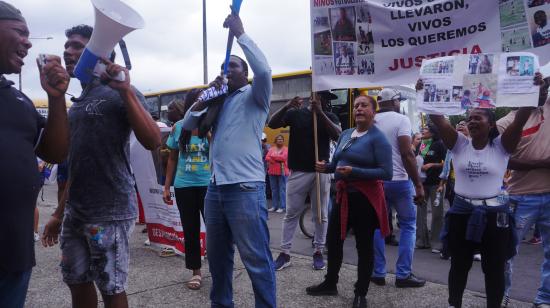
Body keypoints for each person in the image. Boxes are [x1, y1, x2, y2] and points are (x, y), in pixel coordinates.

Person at [41, 24, 161, 308]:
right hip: (77, 212)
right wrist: (59, 213)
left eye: (77, 47)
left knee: (110, 286)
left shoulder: (119, 91)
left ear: (99, 54)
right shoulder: (79, 100)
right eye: (66, 47)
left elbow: (154, 141)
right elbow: (79, 165)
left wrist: (126, 91)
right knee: (76, 280)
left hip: (111, 212)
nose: (68, 52)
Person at [181, 14, 276, 307]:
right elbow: (187, 125)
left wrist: (241, 35)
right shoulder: (218, 103)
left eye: (232, 66)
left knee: (256, 259)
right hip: (216, 189)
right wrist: (208, 95)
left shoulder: (255, 96)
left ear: (244, 73)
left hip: (244, 188)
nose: (226, 70)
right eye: (224, 67)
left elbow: (264, 71)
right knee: (218, 260)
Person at [417, 78, 536, 308]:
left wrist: (535, 87)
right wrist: (423, 93)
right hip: (462, 213)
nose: (471, 121)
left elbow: (522, 116)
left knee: (494, 268)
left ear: (491, 124)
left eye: (477, 117)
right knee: (459, 265)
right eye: (469, 117)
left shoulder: (503, 145)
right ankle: (454, 304)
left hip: (495, 216)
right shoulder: (459, 144)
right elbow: (437, 119)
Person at [0, 2, 70, 307]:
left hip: (13, 256)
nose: (29, 41)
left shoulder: (18, 100)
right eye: (20, 32)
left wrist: (56, 100)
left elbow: (54, 151)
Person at [305, 95, 392, 308]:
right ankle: (330, 283)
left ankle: (360, 293)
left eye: (364, 105)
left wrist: (356, 171)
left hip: (365, 199)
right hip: (343, 197)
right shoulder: (345, 134)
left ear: (374, 111)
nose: (359, 109)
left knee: (364, 247)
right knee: (334, 242)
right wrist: (326, 167)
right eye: (356, 106)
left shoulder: (378, 138)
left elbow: (387, 172)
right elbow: (337, 162)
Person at [268, 92, 341, 271]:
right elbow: (272, 124)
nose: (322, 100)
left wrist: (321, 113)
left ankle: (318, 250)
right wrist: (287, 106)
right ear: (312, 95)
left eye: (325, 98)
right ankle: (285, 253)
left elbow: (337, 135)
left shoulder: (330, 116)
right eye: (319, 96)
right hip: (298, 171)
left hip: (320, 170)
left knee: (321, 214)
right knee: (291, 213)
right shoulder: (296, 114)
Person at [500, 75, 550, 308]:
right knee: (506, 253)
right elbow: (503, 160)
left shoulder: (548, 109)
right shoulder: (505, 122)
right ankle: (501, 297)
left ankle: (544, 299)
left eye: (544, 87)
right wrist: (540, 164)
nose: (541, 91)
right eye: (535, 87)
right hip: (520, 197)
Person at [370, 88, 427, 288]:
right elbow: (407, 154)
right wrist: (418, 184)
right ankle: (403, 274)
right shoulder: (402, 120)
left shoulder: (371, 121)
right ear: (395, 101)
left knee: (377, 227)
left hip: (377, 182)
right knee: (408, 226)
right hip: (401, 181)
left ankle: (378, 272)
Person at [163, 89, 209, 290]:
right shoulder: (178, 127)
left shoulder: (212, 125)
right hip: (184, 186)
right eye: (198, 101)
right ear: (191, 105)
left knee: (216, 231)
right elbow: (172, 158)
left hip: (210, 186)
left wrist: (211, 134)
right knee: (190, 230)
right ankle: (196, 272)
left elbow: (220, 155)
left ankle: (219, 268)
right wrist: (167, 187)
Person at [416, 125, 446, 251]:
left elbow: (446, 163)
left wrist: (432, 165)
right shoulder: (421, 144)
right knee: (420, 211)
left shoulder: (440, 144)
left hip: (436, 183)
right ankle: (422, 241)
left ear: (433, 133)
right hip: (422, 182)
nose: (423, 130)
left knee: (437, 213)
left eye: (426, 129)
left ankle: (436, 242)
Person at [265, 134, 289, 213]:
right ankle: (274, 206)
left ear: (283, 141)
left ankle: (282, 207)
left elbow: (283, 158)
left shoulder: (286, 149)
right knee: (274, 190)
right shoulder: (272, 149)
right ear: (276, 140)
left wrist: (273, 157)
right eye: (278, 139)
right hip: (272, 172)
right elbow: (267, 158)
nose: (280, 141)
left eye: (281, 139)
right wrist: (276, 159)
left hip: (282, 172)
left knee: (282, 190)